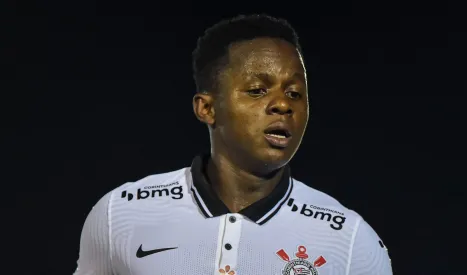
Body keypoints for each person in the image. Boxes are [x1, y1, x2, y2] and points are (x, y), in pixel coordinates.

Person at [74, 14, 393, 275]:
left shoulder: (350, 240)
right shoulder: (121, 212)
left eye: (295, 93)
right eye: (257, 90)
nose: (282, 105)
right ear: (206, 108)